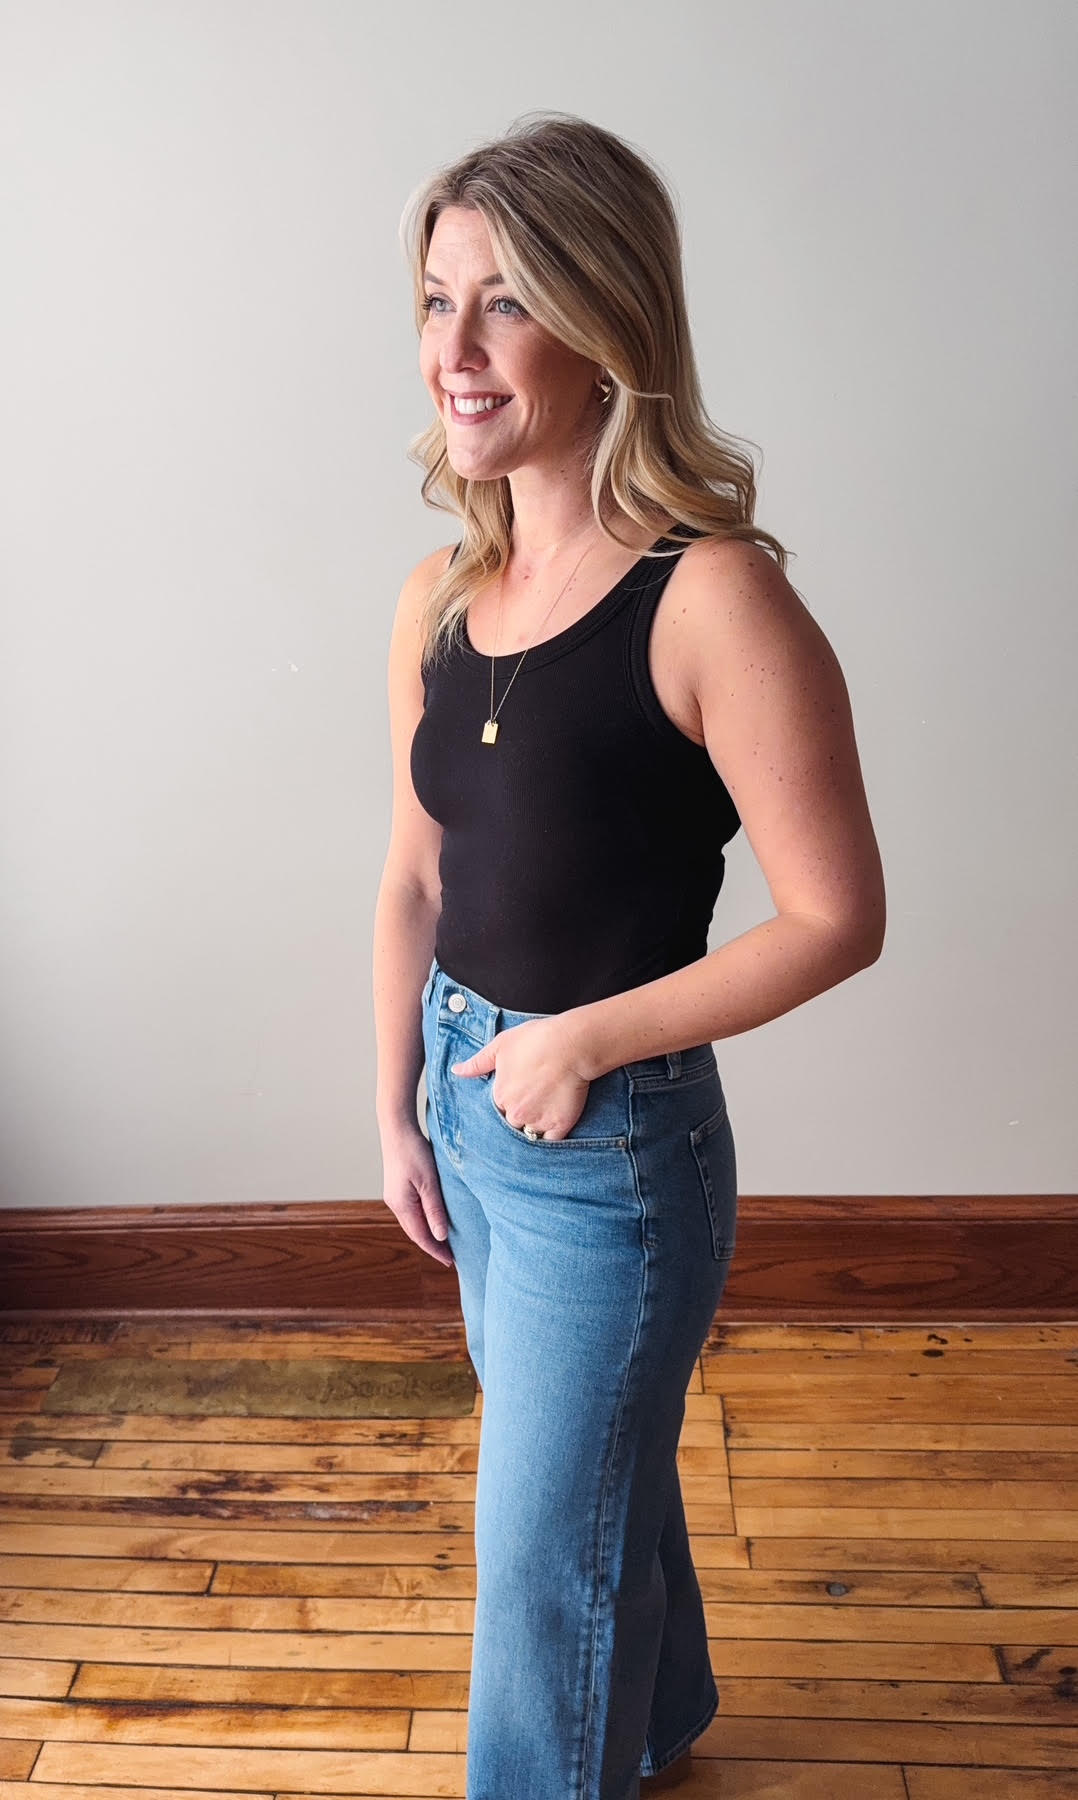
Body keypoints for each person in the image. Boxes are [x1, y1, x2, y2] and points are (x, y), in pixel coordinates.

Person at [374, 110, 885, 1800]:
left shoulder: (713, 598)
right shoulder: (443, 595)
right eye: (436, 299)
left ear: (607, 315)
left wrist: (580, 1041)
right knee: (593, 1480)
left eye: (505, 301)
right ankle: (655, 1722)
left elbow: (834, 916)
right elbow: (411, 877)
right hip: (465, 1102)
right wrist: (396, 1105)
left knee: (536, 1556)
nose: (456, 349)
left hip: (610, 1153)